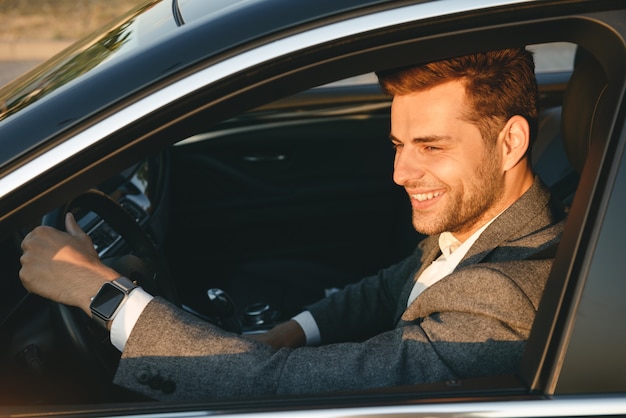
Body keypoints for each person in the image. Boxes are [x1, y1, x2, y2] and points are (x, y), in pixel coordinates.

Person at [19, 48, 565, 400]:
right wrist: (285, 334)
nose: (400, 173)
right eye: (399, 145)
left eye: (431, 147)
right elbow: (389, 288)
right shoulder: (486, 229)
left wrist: (99, 290)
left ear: (511, 141)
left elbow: (267, 387)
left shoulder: (506, 300)